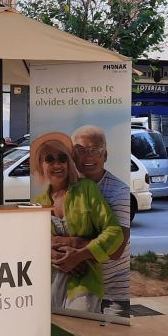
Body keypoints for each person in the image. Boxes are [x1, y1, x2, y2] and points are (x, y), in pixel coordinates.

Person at [31, 132, 124, 312]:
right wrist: (53, 255)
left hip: (85, 278)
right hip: (48, 281)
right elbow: (33, 242)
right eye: (49, 159)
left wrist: (80, 255)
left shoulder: (86, 189)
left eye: (62, 158)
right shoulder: (39, 201)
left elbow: (114, 231)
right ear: (41, 165)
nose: (57, 164)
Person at [71, 125, 131, 316]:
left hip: (111, 291)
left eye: (95, 150)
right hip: (77, 285)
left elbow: (115, 248)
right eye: (81, 150)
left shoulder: (119, 192)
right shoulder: (65, 187)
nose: (88, 156)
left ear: (105, 155)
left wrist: (74, 248)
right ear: (72, 155)